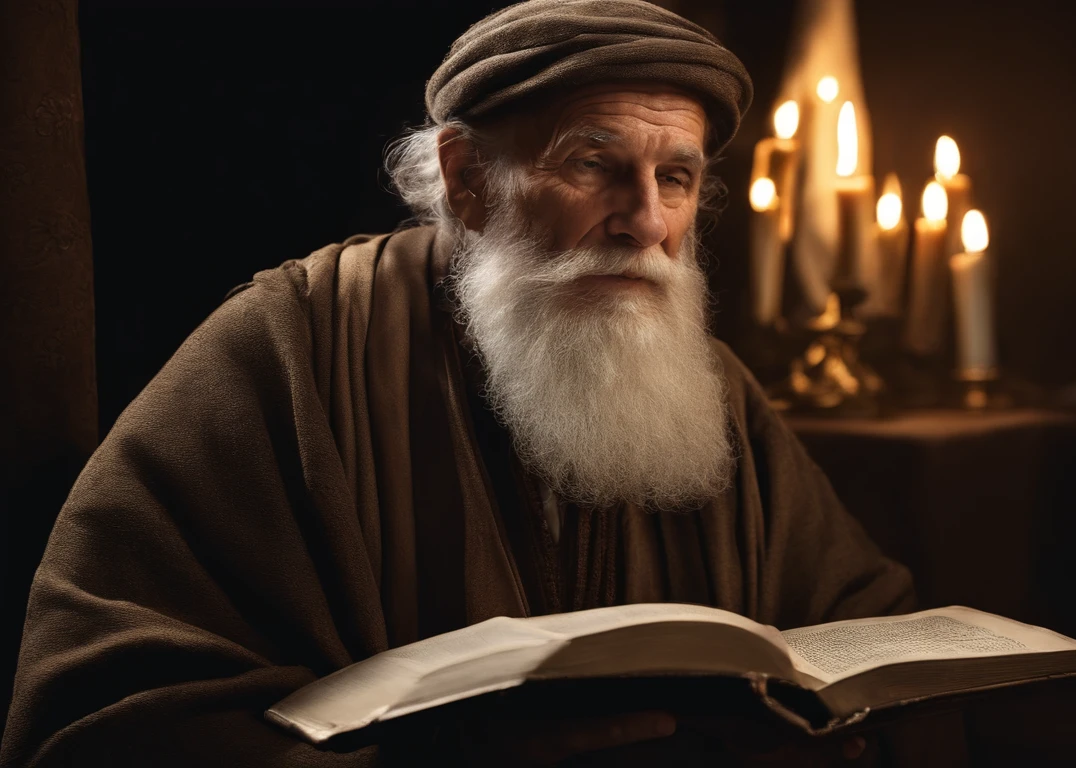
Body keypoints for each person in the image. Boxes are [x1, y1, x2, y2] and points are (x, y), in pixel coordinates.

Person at [1, 1, 915, 765]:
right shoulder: (286, 346)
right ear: (468, 178)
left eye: (674, 178)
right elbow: (92, 718)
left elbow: (857, 624)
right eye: (595, 164)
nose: (644, 220)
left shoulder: (709, 384)